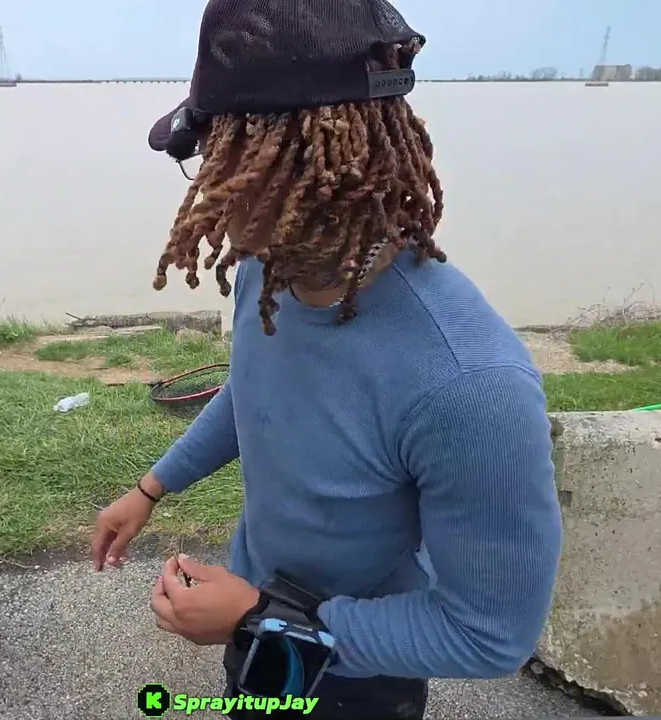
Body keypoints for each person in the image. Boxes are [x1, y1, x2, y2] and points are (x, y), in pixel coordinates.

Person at [91, 1, 563, 717]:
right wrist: (153, 487)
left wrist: (259, 620)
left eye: (222, 159)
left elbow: (490, 634)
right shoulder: (266, 270)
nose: (206, 189)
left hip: (361, 674)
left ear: (301, 170)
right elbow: (257, 390)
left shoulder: (471, 385)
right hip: (251, 617)